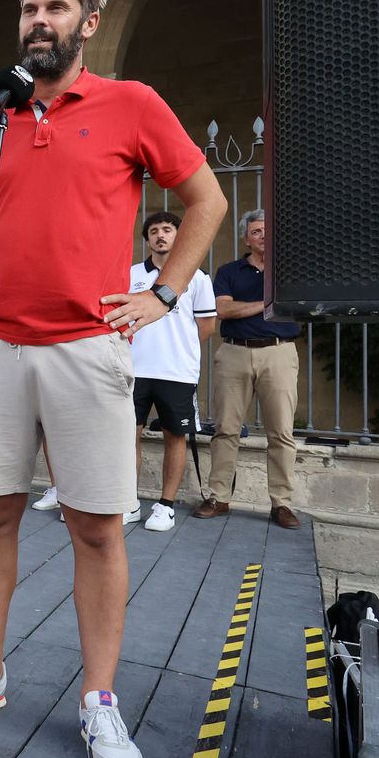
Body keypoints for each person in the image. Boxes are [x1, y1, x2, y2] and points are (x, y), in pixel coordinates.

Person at [0, 0, 226, 758]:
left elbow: (206, 199)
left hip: (88, 351)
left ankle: (99, 701)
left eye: (56, 7)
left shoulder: (131, 103)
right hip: (0, 351)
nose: (38, 20)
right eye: (29, 8)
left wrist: (162, 295)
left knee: (96, 528)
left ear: (88, 23)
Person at [197, 209, 302, 529]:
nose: (262, 236)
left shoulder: (289, 271)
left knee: (281, 432)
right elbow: (224, 309)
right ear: (246, 238)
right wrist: (269, 303)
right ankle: (219, 496)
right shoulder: (230, 271)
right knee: (226, 428)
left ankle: (281, 503)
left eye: (268, 231)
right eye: (256, 231)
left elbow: (298, 304)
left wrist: (258, 305)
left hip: (279, 353)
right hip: (234, 353)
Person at [129, 212, 216, 531]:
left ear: (179, 236)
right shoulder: (132, 274)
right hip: (135, 371)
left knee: (175, 437)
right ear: (147, 239)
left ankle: (165, 505)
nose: (160, 235)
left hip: (177, 373)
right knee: (128, 438)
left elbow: (206, 327)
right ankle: (129, 501)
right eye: (154, 231)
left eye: (167, 229)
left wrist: (178, 351)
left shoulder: (197, 277)